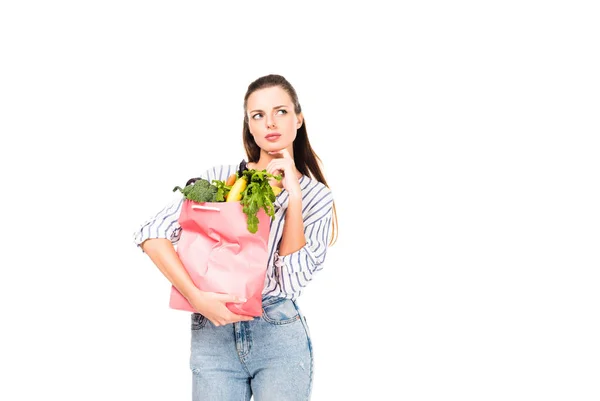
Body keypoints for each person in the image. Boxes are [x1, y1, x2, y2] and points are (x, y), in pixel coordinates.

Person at [132, 73, 338, 401]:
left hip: (278, 335)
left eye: (281, 111)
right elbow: (151, 235)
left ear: (298, 119)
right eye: (258, 115)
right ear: (250, 125)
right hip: (212, 335)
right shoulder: (219, 179)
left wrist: (294, 198)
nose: (270, 122)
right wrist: (196, 297)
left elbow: (290, 282)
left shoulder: (316, 198)